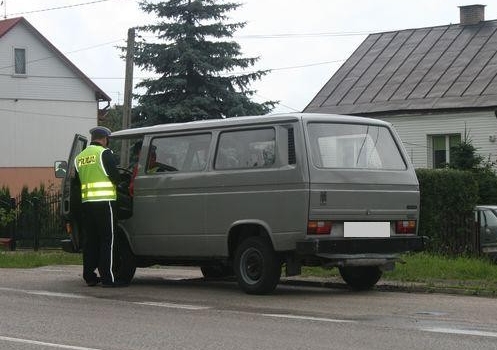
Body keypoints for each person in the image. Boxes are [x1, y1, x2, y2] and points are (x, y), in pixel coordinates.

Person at [74, 126, 125, 288]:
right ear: (105, 139)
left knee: (91, 241)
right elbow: (115, 177)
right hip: (105, 203)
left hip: (87, 204)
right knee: (107, 240)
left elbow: (76, 182)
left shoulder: (80, 157)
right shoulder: (104, 153)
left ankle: (89, 276)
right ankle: (108, 278)